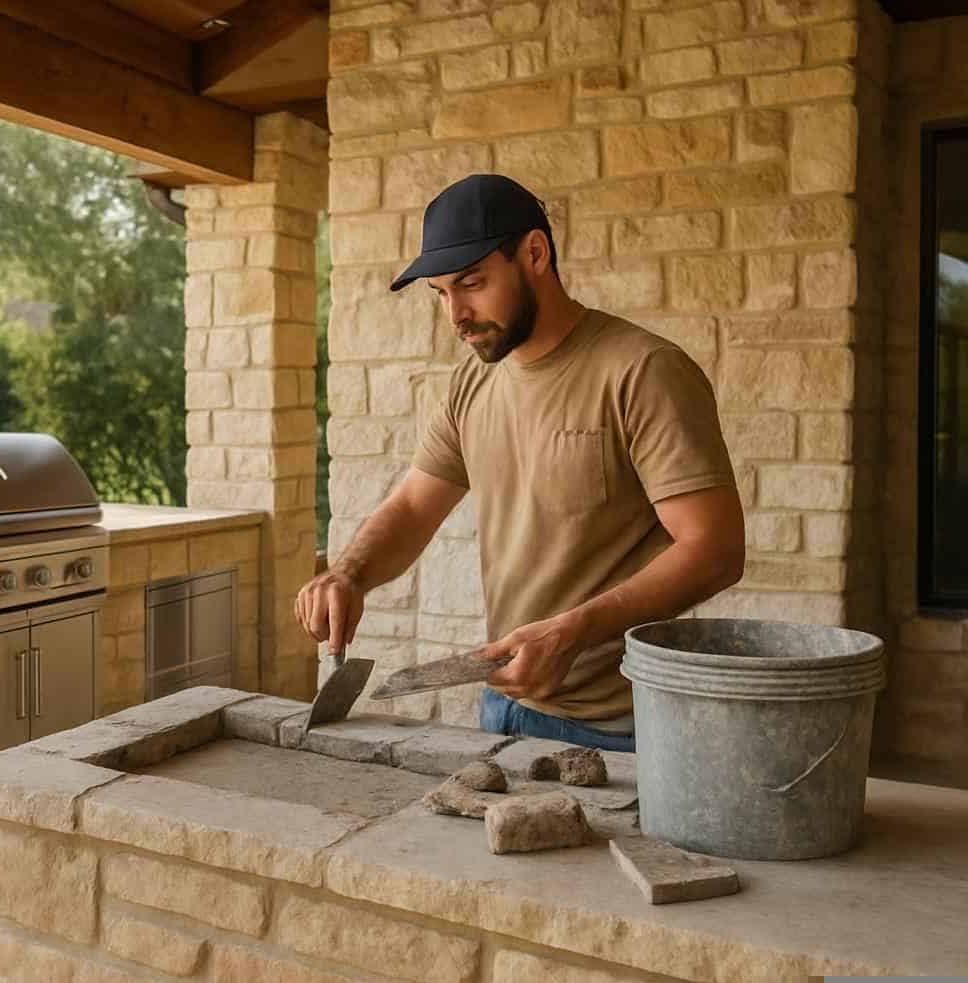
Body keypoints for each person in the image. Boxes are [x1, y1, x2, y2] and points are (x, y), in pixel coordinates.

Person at [294, 174, 745, 752]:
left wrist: (572, 633)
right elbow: (412, 507)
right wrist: (349, 574)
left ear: (534, 254)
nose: (456, 314)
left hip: (622, 727)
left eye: (471, 283)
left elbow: (715, 550)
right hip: (503, 706)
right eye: (440, 294)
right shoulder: (472, 382)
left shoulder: (642, 371)